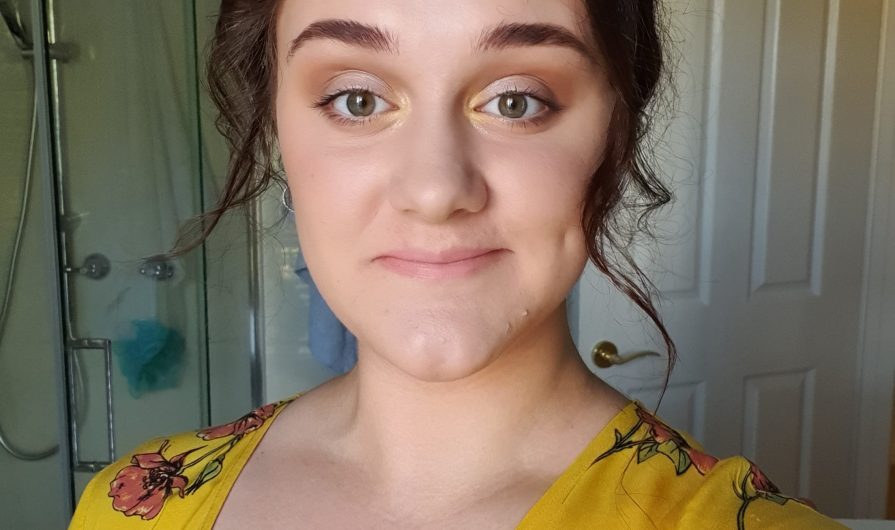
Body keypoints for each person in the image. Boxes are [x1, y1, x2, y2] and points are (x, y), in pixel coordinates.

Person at [69, 0, 846, 528]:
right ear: (276, 132)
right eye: (357, 100)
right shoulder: (132, 506)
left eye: (516, 100)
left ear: (616, 131)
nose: (436, 190)